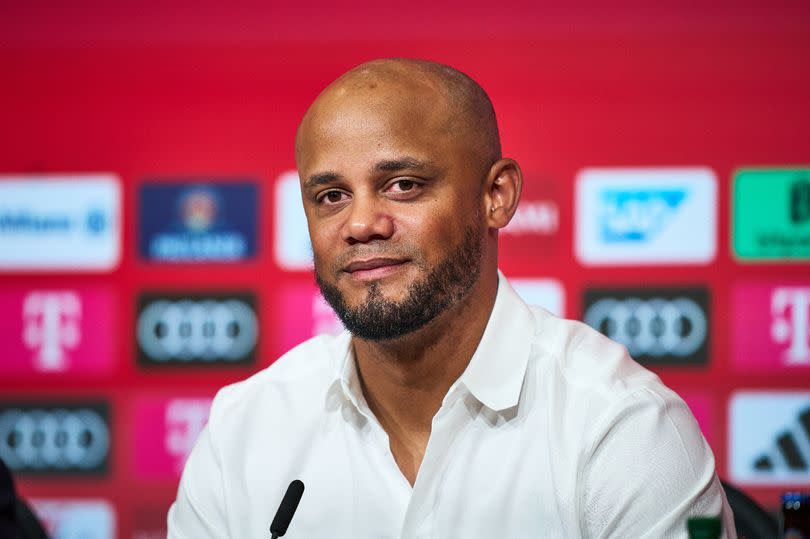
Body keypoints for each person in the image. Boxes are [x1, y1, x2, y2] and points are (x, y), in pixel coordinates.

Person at [168, 58, 736, 538]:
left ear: (497, 195)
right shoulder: (242, 432)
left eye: (403, 185)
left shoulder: (622, 428)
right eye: (331, 195)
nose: (361, 223)